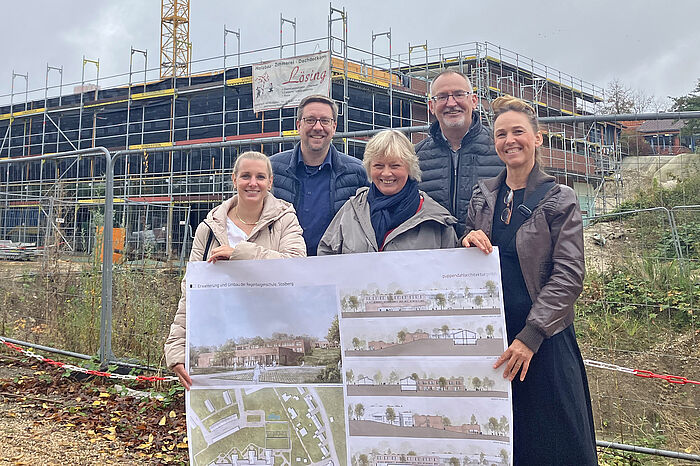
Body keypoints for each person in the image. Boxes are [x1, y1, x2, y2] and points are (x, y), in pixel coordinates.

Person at [462, 96, 597, 464]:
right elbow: (470, 254)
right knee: (506, 438)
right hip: (494, 338)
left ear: (538, 138)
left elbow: (568, 275)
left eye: (518, 132)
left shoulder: (560, 199)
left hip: (544, 339)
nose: (510, 140)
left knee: (555, 441)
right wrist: (467, 238)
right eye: (502, 134)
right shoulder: (484, 196)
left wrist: (531, 335)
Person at [164, 151, 306, 389]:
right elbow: (191, 293)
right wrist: (177, 349)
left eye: (260, 177)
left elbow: (296, 268)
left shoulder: (285, 221)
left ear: (270, 182)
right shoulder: (209, 229)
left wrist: (240, 253)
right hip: (223, 336)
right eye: (246, 176)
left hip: (273, 328)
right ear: (234, 180)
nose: (253, 183)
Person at [318, 129, 457, 254]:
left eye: (395, 165)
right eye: (378, 165)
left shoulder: (436, 220)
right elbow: (326, 255)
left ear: (409, 168)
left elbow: (451, 274)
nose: (386, 173)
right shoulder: (351, 210)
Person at [270, 94, 368, 256]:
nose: (317, 127)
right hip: (282, 267)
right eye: (310, 120)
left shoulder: (358, 172)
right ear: (298, 125)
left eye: (325, 121)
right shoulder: (272, 170)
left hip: (336, 269)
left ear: (334, 126)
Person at [415, 70, 502, 236]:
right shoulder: (414, 158)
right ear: (431, 106)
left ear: (474, 101)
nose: (451, 103)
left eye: (459, 94)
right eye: (441, 97)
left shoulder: (501, 151)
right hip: (436, 258)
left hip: (486, 256)